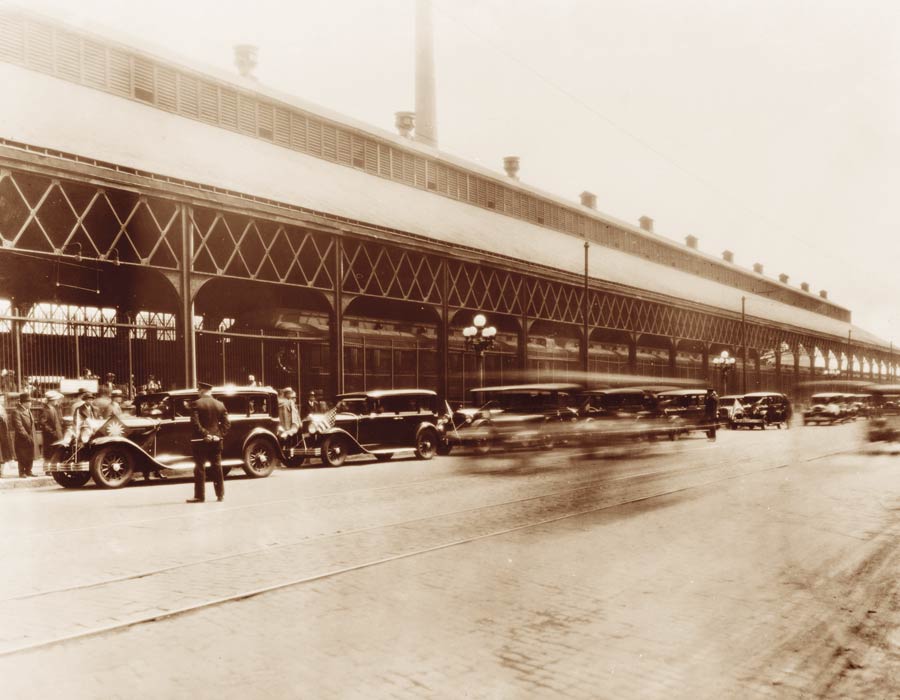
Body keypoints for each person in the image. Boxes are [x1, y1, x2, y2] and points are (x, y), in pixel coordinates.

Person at [186, 382, 230, 503]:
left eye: (199, 390)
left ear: (201, 390)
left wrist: (206, 434)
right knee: (217, 467)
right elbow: (227, 424)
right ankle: (220, 495)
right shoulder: (220, 404)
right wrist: (217, 435)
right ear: (210, 391)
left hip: (201, 441)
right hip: (216, 441)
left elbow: (195, 424)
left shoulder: (196, 404)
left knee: (200, 468)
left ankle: (200, 496)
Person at [10, 392, 36, 477]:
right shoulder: (16, 412)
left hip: (30, 436)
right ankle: (22, 472)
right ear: (24, 402)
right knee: (22, 455)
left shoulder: (28, 411)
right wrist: (26, 436)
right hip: (22, 438)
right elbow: (19, 426)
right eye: (29, 402)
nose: (30, 403)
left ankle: (29, 470)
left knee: (30, 454)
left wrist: (31, 436)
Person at [40, 390, 65, 460]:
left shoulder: (53, 408)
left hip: (56, 436)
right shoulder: (45, 410)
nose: (57, 401)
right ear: (52, 400)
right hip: (50, 438)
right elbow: (43, 423)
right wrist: (52, 432)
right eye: (56, 400)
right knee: (50, 456)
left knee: (56, 455)